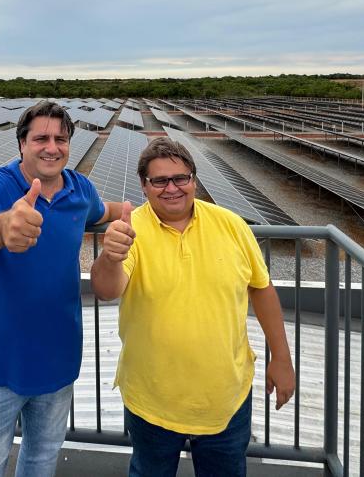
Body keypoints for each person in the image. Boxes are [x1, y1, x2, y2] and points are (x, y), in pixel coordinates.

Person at [0, 100, 124, 477]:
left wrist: (157, 206)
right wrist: (3, 226)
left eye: (61, 138)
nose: (51, 147)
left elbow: (105, 211)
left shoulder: (79, 190)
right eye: (40, 138)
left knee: (40, 463)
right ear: (22, 143)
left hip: (56, 362)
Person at [90, 137, 295, 477]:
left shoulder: (232, 225)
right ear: (144, 186)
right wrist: (111, 257)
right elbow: (107, 289)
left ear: (194, 180)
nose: (172, 188)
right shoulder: (131, 229)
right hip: (151, 401)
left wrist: (282, 359)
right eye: (159, 180)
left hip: (225, 399)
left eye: (180, 178)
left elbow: (262, 289)